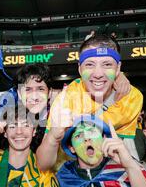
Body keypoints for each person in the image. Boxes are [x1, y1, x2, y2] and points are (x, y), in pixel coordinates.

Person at [37, 34, 137, 171]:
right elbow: (43, 164)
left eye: (107, 64)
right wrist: (53, 138)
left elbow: (127, 153)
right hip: (68, 179)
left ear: (118, 68)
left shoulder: (132, 97)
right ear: (80, 68)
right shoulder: (67, 97)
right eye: (90, 64)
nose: (98, 73)